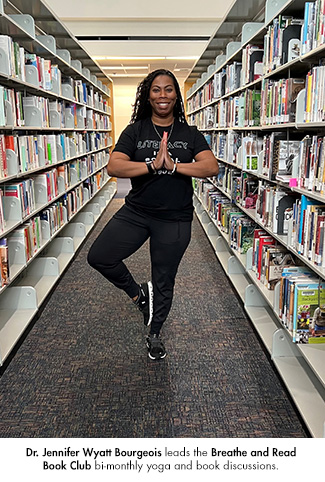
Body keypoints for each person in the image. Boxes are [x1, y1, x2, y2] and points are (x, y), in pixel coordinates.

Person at [87, 69, 219, 360]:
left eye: (169, 90)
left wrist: (173, 166)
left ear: (176, 95)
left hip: (175, 218)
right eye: (156, 90)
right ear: (148, 95)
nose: (163, 96)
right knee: (99, 256)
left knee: (164, 278)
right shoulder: (136, 130)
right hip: (137, 212)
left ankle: (155, 332)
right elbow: (115, 166)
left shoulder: (189, 134)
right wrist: (150, 165)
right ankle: (138, 295)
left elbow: (210, 167)